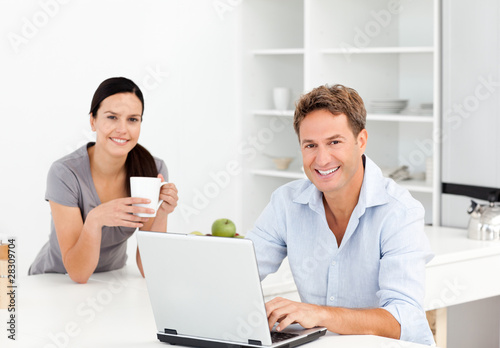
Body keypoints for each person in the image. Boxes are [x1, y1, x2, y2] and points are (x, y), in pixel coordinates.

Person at [246, 84, 434, 345]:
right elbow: (240, 272)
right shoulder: (286, 204)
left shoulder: (399, 212)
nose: (322, 160)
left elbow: (402, 320)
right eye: (310, 145)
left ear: (361, 141)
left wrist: (319, 314)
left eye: (334, 142)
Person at [29, 77, 178, 284]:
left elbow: (149, 269)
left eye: (133, 119)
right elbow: (78, 274)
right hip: (55, 280)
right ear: (93, 120)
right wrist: (95, 219)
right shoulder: (64, 173)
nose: (122, 129)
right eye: (112, 117)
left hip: (112, 279)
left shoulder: (153, 170)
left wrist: (162, 212)